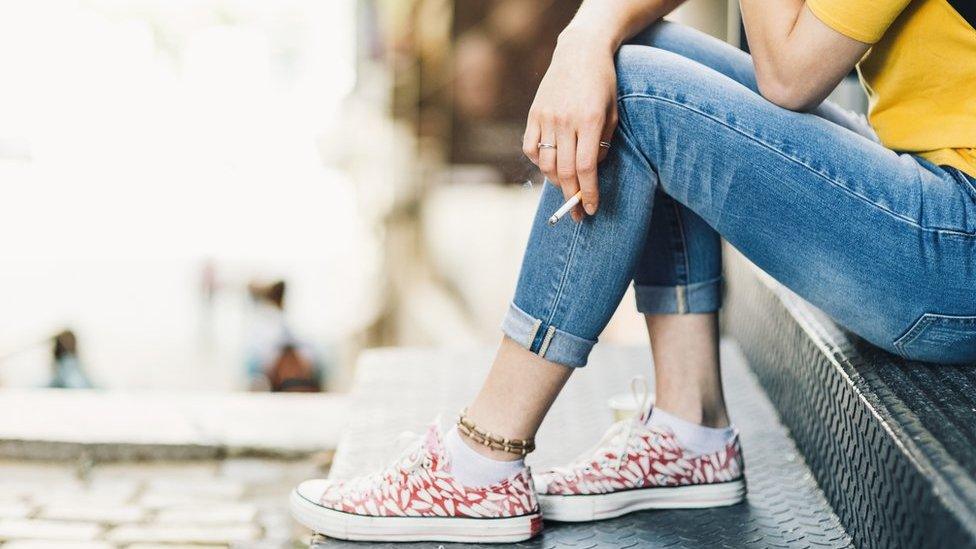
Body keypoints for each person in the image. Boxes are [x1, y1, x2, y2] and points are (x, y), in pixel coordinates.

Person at [290, 0, 975, 542]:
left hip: (958, 244)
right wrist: (585, 35)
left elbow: (788, 75)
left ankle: (481, 461)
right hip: (940, 200)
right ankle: (690, 428)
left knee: (637, 94)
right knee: (638, 47)